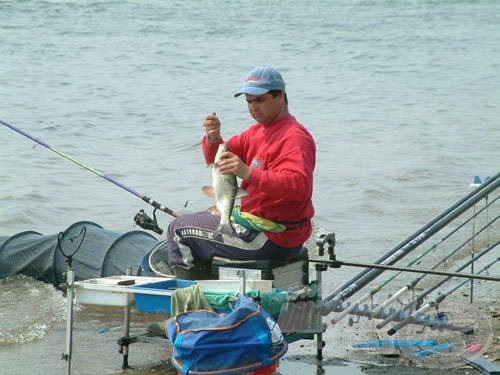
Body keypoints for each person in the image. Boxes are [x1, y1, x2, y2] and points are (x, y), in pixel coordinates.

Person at [166, 66, 315, 276]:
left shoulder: (295, 137)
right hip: (258, 224)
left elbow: (299, 187)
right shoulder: (256, 132)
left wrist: (246, 173)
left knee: (178, 229)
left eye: (260, 100)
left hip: (271, 238)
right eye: (249, 101)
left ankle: (190, 295)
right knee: (211, 211)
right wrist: (213, 138)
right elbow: (216, 160)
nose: (254, 107)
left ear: (280, 96)